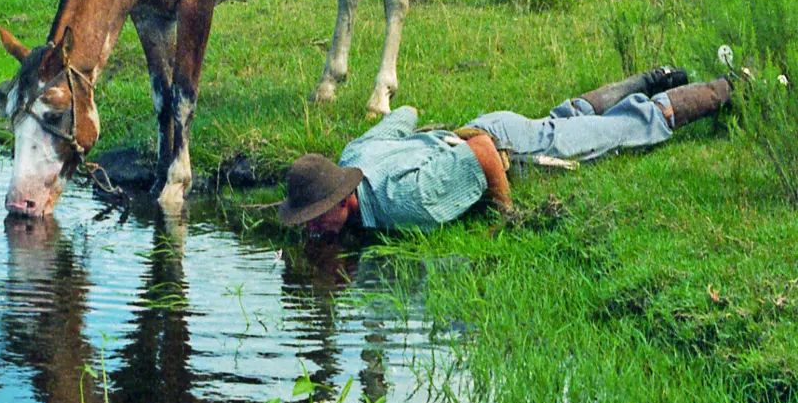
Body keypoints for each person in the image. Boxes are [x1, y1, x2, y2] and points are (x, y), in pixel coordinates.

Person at [277, 66, 732, 237]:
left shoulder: (403, 204)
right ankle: (653, 76)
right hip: (487, 124)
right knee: (567, 118)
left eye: (316, 215)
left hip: (508, 147)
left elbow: (483, 154)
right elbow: (407, 115)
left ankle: (730, 86)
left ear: (344, 198)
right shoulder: (356, 153)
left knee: (625, 131)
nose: (313, 226)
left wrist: (505, 213)